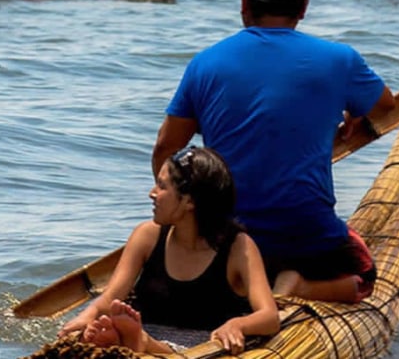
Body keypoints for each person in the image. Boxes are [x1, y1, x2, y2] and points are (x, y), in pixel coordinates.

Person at [152, 0, 397, 304]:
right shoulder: (340, 60)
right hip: (307, 237)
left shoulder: (206, 63)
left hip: (227, 239)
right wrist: (352, 110)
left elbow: (165, 148)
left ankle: (241, 284)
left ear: (243, 2)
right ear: (304, 7)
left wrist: (176, 216)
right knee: (365, 276)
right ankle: (302, 287)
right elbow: (385, 105)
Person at [58, 146, 279, 354]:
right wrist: (84, 319)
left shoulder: (237, 248)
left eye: (162, 186)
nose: (152, 193)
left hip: (200, 349)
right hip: (147, 331)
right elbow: (110, 298)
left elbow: (269, 317)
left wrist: (237, 324)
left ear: (189, 201)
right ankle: (132, 340)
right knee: (110, 329)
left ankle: (140, 343)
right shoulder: (147, 236)